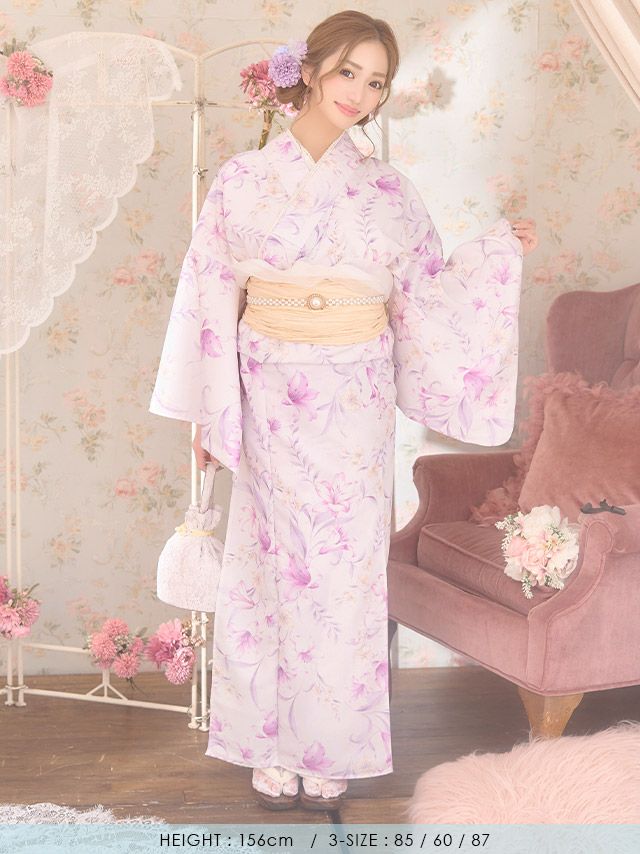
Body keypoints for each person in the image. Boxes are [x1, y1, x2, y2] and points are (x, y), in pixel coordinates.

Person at [149, 10, 538, 812]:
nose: (360, 92)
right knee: (268, 567)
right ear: (311, 70)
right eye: (348, 72)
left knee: (343, 572)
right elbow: (209, 298)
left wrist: (497, 255)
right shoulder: (243, 179)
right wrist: (209, 416)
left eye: (376, 81)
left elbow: (430, 294)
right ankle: (268, 744)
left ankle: (326, 747)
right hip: (266, 389)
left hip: (354, 398)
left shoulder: (389, 190)